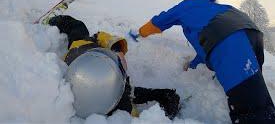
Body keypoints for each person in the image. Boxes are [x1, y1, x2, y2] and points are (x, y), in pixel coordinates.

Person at [132, 0, 275, 123]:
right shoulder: (216, 7)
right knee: (255, 89)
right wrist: (193, 65)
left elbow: (160, 21)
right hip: (252, 33)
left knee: (252, 110)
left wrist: (139, 32)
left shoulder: (187, 5)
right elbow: (207, 49)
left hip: (227, 38)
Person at [48, 15, 180, 119]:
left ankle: (165, 96)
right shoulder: (79, 43)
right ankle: (165, 96)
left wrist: (117, 50)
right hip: (97, 84)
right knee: (128, 100)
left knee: (127, 99)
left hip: (110, 77)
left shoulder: (88, 40)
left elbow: (108, 39)